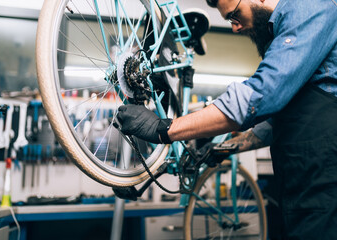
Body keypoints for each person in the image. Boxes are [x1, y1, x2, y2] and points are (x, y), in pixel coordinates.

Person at [117, 0, 337, 239]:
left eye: (234, 16)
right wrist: (224, 148)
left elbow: (262, 95)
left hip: (324, 183)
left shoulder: (312, 6)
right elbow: (279, 123)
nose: (234, 27)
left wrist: (165, 128)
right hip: (303, 185)